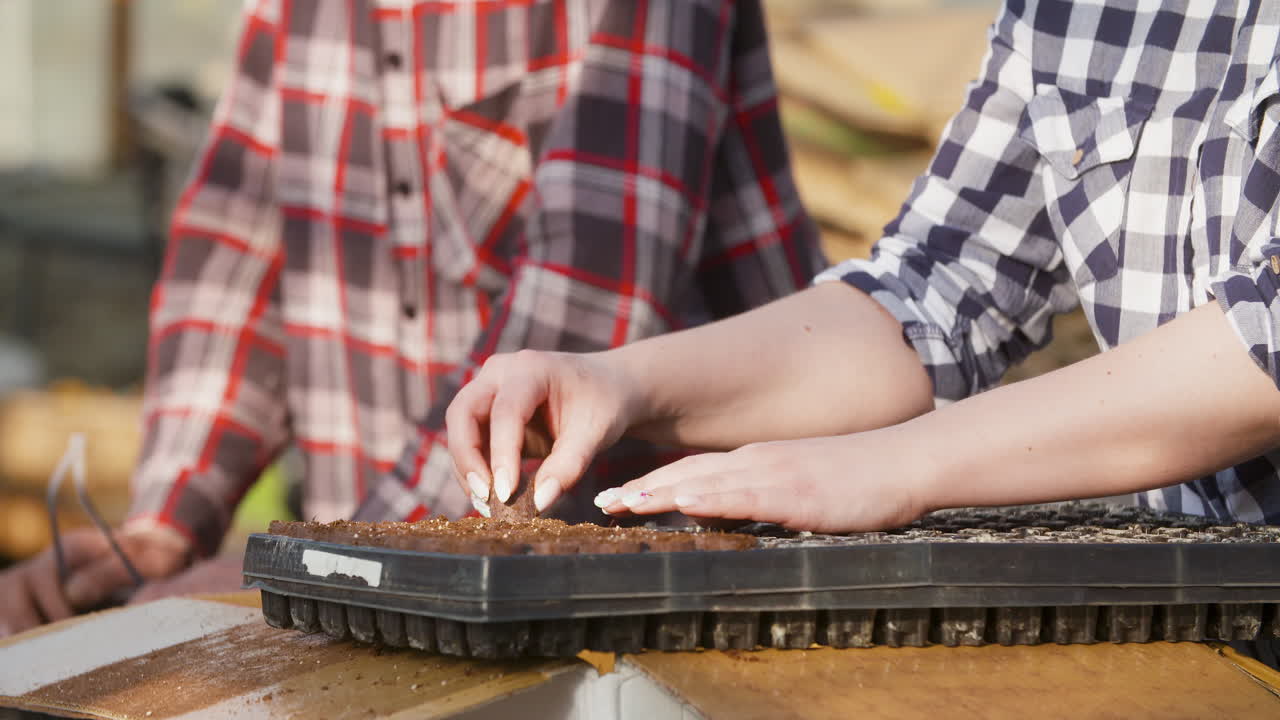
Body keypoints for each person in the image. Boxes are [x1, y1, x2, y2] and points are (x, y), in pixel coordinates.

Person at [0, 0, 824, 638]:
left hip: (663, 602)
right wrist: (162, 529)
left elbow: (588, 299)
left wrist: (324, 566)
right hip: (370, 601)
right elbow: (233, 252)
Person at [450, 0, 1280, 533]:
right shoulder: (1074, 15)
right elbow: (932, 289)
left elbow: (1266, 333)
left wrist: (897, 464)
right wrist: (619, 382)